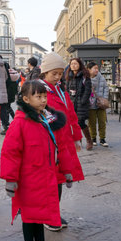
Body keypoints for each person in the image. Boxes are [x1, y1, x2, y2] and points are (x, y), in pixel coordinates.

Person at [1, 80, 66, 241]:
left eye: (44, 96)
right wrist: (10, 180)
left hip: (44, 179)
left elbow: (56, 146)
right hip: (28, 182)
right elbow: (10, 153)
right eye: (38, 96)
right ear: (26, 99)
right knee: (30, 219)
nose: (43, 100)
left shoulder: (44, 119)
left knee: (41, 217)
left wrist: (66, 170)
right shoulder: (20, 123)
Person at [39, 52, 84, 231]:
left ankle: (53, 213)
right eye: (53, 73)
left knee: (58, 180)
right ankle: (47, 215)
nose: (57, 77)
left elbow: (71, 114)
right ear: (45, 72)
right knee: (49, 182)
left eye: (59, 73)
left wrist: (76, 137)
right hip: (50, 145)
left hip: (62, 143)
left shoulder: (59, 90)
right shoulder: (39, 91)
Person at [65, 57, 93, 150]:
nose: (73, 65)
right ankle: (78, 141)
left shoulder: (85, 76)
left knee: (81, 122)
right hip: (72, 103)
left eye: (75, 63)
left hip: (81, 103)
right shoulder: (69, 76)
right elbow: (67, 90)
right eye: (72, 63)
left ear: (80, 65)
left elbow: (88, 90)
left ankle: (89, 140)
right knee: (73, 123)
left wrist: (83, 101)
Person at [87, 62, 109, 147]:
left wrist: (104, 98)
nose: (96, 70)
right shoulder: (86, 79)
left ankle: (102, 139)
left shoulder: (101, 77)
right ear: (89, 69)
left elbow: (106, 88)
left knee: (102, 121)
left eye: (97, 68)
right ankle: (93, 138)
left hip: (101, 103)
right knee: (92, 122)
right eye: (94, 68)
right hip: (91, 103)